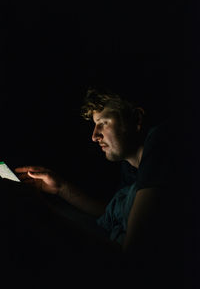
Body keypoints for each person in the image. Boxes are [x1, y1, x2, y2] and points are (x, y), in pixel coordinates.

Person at [4, 88, 178, 285]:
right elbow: (110, 215)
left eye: (103, 123)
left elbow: (130, 260)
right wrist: (60, 187)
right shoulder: (131, 168)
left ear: (137, 119)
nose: (94, 136)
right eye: (95, 125)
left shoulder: (161, 144)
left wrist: (34, 207)